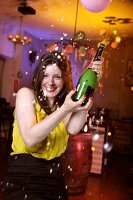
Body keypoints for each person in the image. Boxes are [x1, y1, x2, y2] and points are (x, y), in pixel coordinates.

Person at [2, 51, 103, 200]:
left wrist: (89, 88)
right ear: (38, 76)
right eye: (46, 75)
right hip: (23, 175)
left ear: (64, 79)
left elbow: (74, 128)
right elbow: (30, 138)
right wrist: (65, 109)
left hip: (54, 177)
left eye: (57, 76)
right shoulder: (26, 94)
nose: (50, 82)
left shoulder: (65, 104)